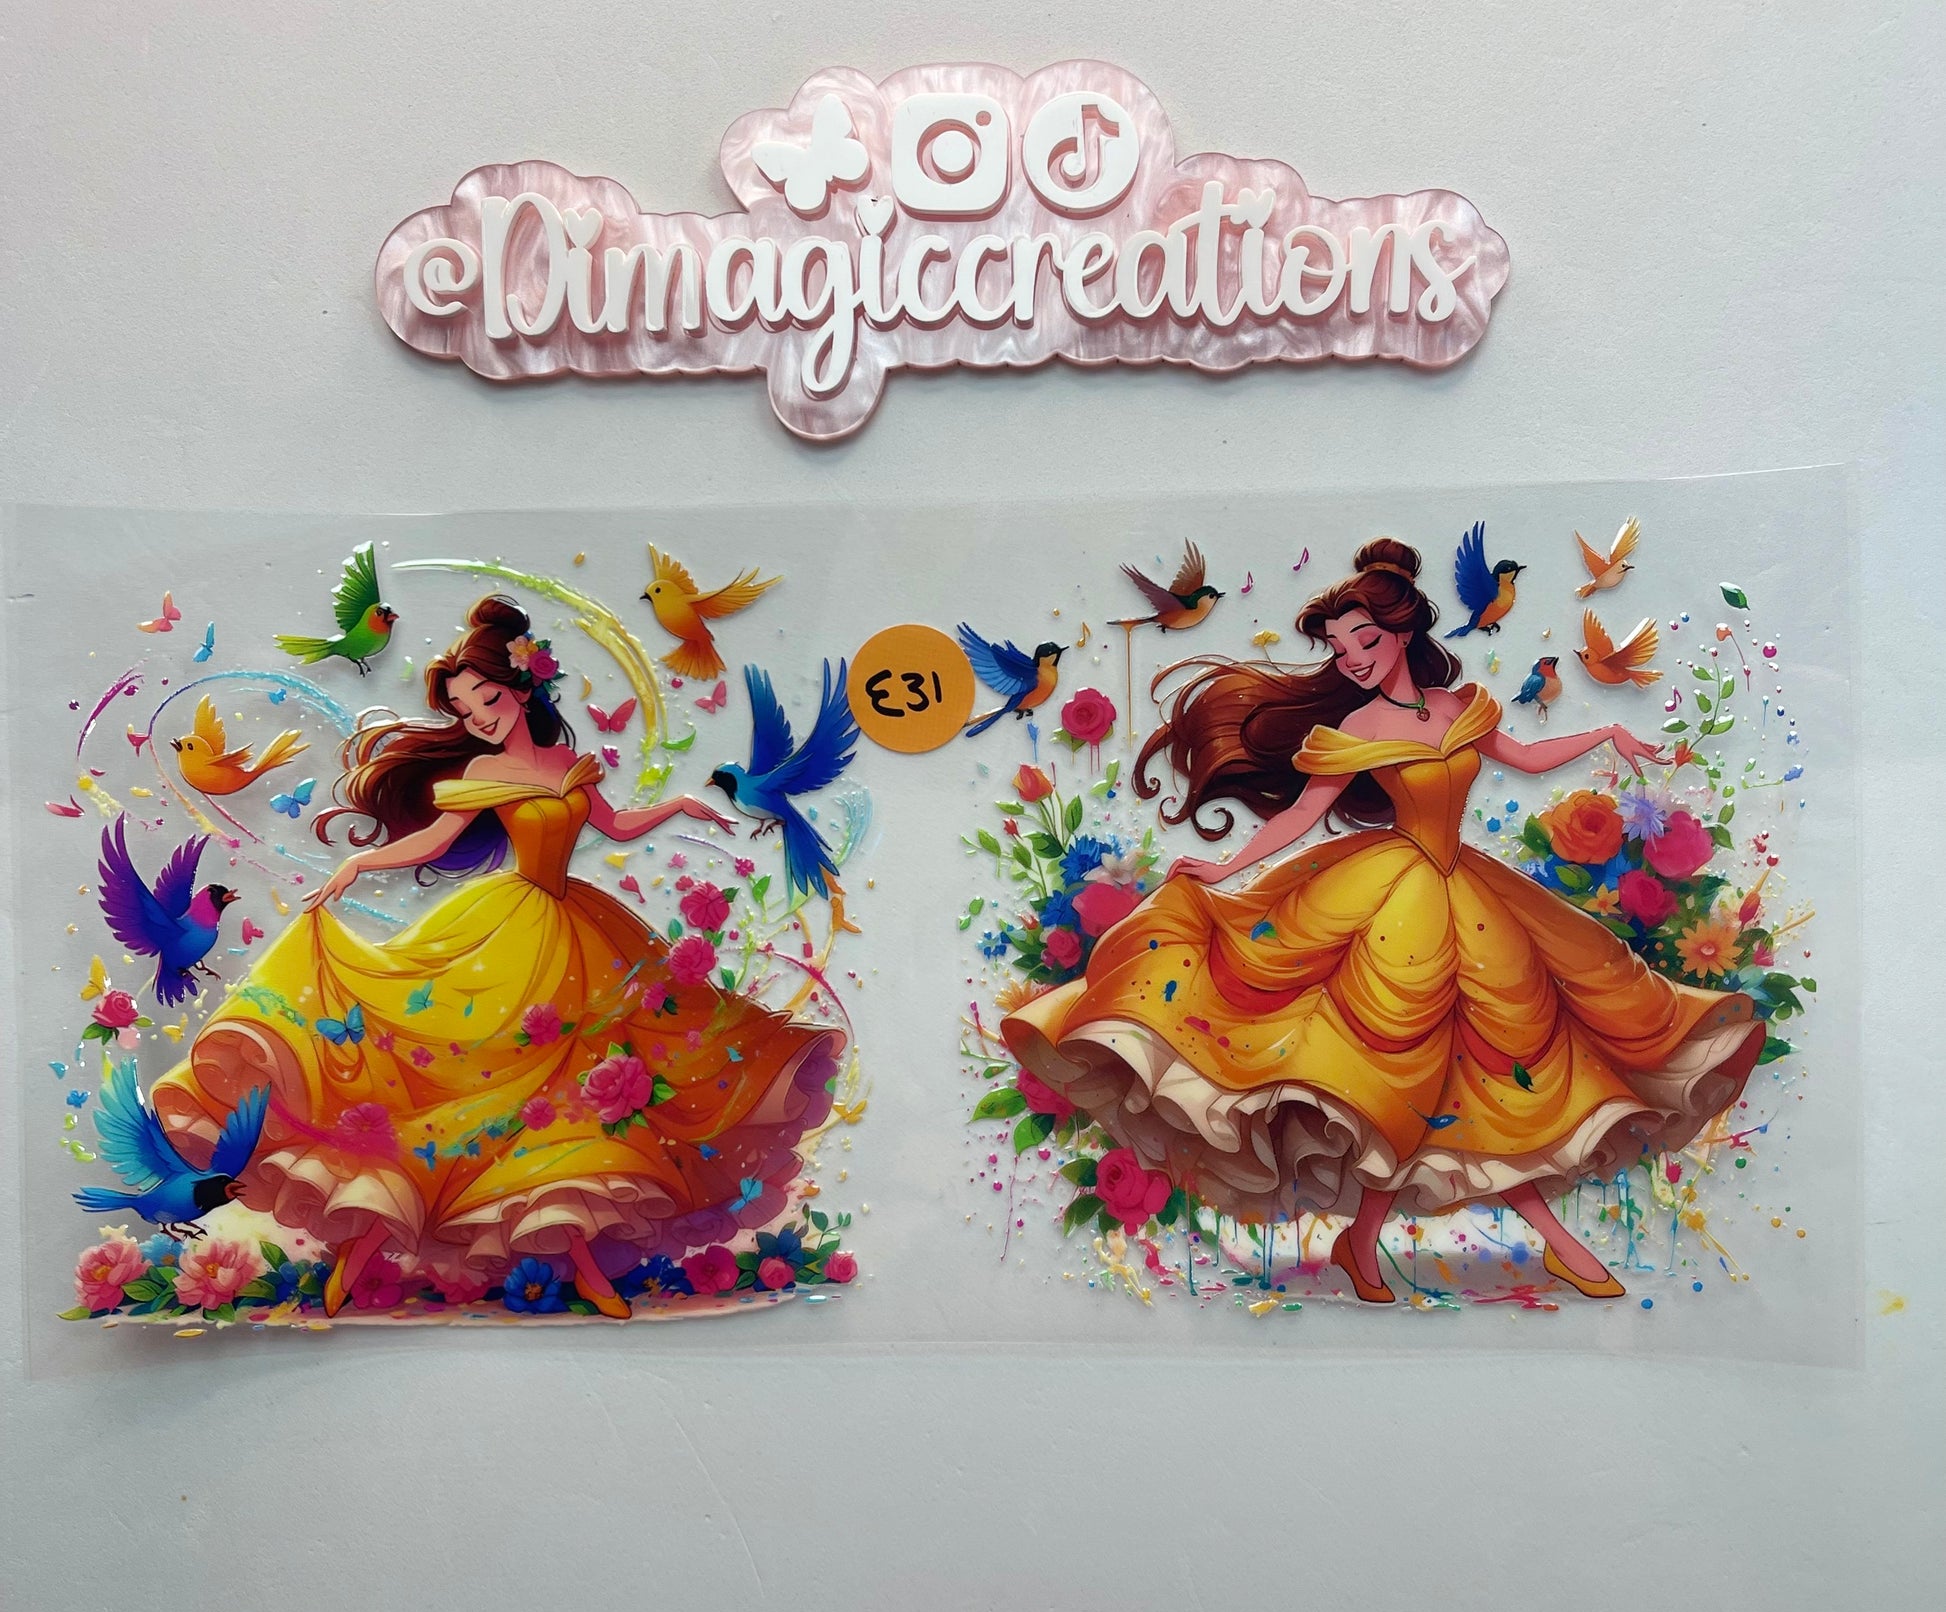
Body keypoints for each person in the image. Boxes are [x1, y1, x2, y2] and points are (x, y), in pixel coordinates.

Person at [1003, 539, 1763, 1303]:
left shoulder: (1460, 706)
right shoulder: (1360, 727)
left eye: (1364, 640)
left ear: (1404, 633)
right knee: (1407, 1080)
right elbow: (1302, 814)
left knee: (1481, 1077)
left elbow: (1526, 758)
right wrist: (1226, 870)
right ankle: (1529, 1245)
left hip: (1472, 901)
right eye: (1339, 649)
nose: (1353, 658)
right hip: (1394, 908)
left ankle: (1368, 1242)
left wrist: (1605, 733)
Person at [152, 596, 842, 1317]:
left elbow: (613, 824)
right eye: (463, 706)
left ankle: (582, 1263)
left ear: (521, 688)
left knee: (579, 1093)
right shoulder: (484, 768)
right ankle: (369, 1238)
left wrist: (675, 807)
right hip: (510, 933)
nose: (478, 715)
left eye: (486, 697)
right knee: (470, 1082)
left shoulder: (570, 764)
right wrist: (357, 865)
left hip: (583, 929)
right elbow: (435, 841)